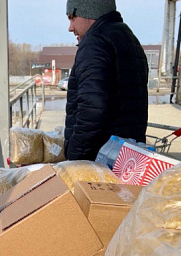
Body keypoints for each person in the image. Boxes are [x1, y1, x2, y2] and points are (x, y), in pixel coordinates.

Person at [64, 0, 148, 161]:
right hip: (126, 155)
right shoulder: (128, 38)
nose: (70, 27)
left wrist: (74, 159)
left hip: (101, 158)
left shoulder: (94, 43)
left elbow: (92, 110)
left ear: (89, 12)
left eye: (72, 18)